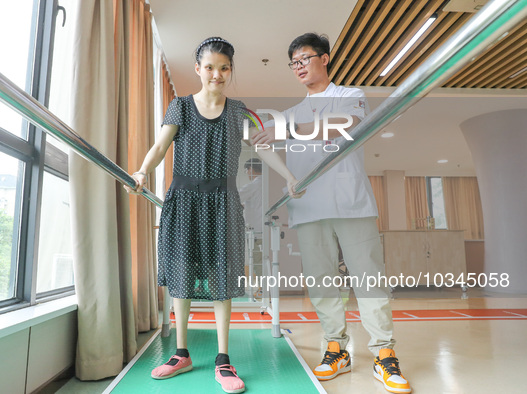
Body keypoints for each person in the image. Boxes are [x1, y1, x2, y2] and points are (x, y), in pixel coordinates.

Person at [125, 37, 301, 394]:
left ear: (231, 70)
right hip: (184, 199)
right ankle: (181, 353)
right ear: (198, 69)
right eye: (210, 67)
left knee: (223, 278)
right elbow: (160, 146)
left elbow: (263, 149)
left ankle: (223, 359)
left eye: (224, 68)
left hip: (222, 200)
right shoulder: (180, 106)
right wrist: (142, 171)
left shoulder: (239, 111)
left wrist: (289, 177)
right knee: (182, 273)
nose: (217, 74)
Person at [251, 33, 411, 394]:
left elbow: (342, 127)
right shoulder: (290, 113)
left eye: (304, 58)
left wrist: (283, 130)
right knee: (322, 282)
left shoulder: (349, 96)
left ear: (325, 58)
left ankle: (385, 354)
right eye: (293, 62)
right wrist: (288, 174)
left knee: (368, 278)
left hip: (351, 202)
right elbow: (265, 146)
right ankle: (335, 348)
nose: (299, 67)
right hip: (307, 207)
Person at [238, 158, 263, 297]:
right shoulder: (265, 184)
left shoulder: (254, 184)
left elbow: (235, 196)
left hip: (256, 230)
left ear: (250, 170)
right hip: (262, 227)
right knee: (262, 260)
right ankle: (264, 288)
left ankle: (263, 290)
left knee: (258, 260)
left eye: (246, 170)